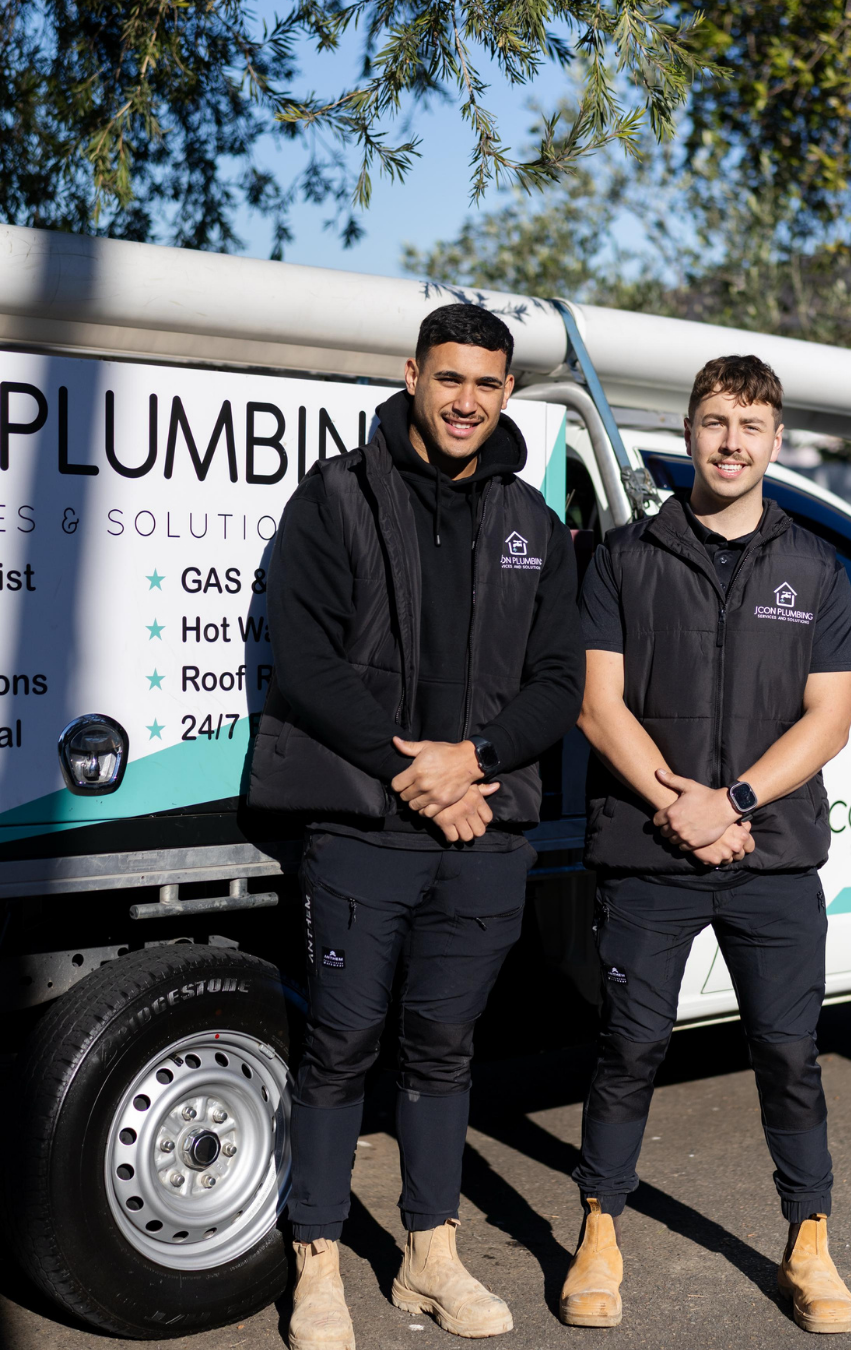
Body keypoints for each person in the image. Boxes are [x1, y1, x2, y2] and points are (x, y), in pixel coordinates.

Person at [249, 304, 584, 1348]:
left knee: (444, 1048)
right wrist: (417, 771)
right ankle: (316, 1263)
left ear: (508, 391)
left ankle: (430, 1259)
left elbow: (560, 682)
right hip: (360, 826)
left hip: (483, 830)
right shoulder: (336, 496)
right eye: (449, 378)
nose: (466, 401)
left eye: (486, 383)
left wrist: (471, 763)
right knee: (341, 1046)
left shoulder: (534, 522)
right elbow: (306, 662)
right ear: (412, 375)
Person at [560, 354, 851, 1335]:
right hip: (650, 853)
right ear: (690, 432)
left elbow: (830, 719)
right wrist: (678, 805)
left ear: (776, 442)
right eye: (717, 422)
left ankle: (809, 1241)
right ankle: (600, 1231)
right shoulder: (624, 558)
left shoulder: (816, 568)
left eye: (752, 426)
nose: (733, 443)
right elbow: (597, 706)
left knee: (789, 1053)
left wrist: (730, 801)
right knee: (629, 1046)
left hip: (773, 856)